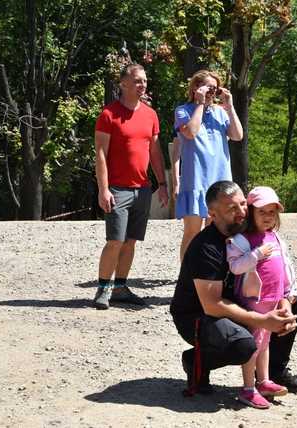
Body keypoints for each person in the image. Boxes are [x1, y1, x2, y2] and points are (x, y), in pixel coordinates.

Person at [170, 181, 297, 396]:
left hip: (235, 303)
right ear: (212, 213)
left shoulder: (247, 236)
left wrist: (284, 303)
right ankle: (196, 361)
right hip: (198, 317)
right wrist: (262, 320)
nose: (241, 212)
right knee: (243, 345)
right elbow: (212, 305)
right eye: (232, 208)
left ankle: (272, 373)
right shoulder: (206, 247)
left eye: (243, 205)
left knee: (295, 303)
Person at [93, 63, 169, 310]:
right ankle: (103, 288)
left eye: (144, 81)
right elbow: (101, 155)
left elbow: (155, 152)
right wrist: (103, 189)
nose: (142, 85)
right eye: (137, 81)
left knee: (131, 241)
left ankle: (120, 288)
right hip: (117, 188)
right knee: (115, 240)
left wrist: (163, 183)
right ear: (123, 84)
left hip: (142, 188)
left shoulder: (150, 115)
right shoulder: (109, 115)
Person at [226, 186, 296, 408]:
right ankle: (248, 388)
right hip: (252, 301)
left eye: (272, 213)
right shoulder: (243, 240)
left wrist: (287, 294)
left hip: (273, 299)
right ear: (251, 213)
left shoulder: (274, 237)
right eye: (262, 212)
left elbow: (284, 266)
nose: (268, 217)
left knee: (264, 342)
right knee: (253, 344)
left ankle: (263, 381)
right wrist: (255, 255)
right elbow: (235, 266)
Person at [172, 70, 243, 261]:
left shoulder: (220, 112)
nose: (212, 92)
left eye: (215, 88)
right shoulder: (183, 110)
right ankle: (186, 277)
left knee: (216, 232)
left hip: (219, 181)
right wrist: (200, 103)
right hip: (196, 179)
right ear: (196, 88)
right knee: (192, 232)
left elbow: (237, 136)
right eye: (208, 88)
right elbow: (191, 133)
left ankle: (212, 271)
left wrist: (230, 106)